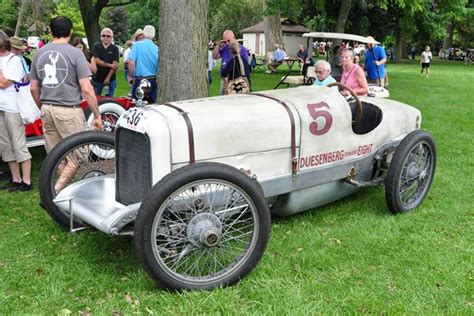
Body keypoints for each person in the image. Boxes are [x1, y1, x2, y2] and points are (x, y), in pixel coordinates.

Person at [30, 16, 101, 153]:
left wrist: (42, 106)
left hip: (46, 109)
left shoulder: (39, 53)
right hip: (69, 109)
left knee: (55, 156)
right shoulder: (76, 53)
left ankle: (57, 176)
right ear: (71, 32)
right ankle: (62, 176)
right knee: (79, 154)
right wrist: (97, 115)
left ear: (51, 31)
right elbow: (86, 89)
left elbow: (33, 88)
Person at [0, 31, 33, 191]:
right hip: (1, 107)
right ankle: (15, 178)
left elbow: (5, 84)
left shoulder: (13, 60)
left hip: (13, 107)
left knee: (18, 144)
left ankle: (26, 181)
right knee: (5, 145)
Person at [212, 30, 250, 95]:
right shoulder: (225, 48)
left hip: (237, 80)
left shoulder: (242, 50)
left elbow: (246, 66)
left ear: (233, 37)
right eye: (225, 41)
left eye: (228, 41)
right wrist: (218, 46)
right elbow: (214, 56)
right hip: (225, 80)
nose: (227, 43)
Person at [127, 25, 159, 102]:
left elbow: (131, 63)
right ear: (153, 35)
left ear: (144, 34)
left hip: (139, 80)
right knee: (153, 105)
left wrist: (131, 77)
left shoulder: (137, 45)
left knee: (136, 104)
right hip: (153, 80)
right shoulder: (157, 48)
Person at [91, 28, 119, 97]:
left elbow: (115, 65)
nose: (106, 37)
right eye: (104, 35)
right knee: (96, 99)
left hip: (111, 79)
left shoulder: (115, 48)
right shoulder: (96, 47)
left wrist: (108, 78)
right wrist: (110, 65)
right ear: (101, 37)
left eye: (108, 36)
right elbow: (97, 61)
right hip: (98, 79)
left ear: (111, 38)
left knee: (110, 100)